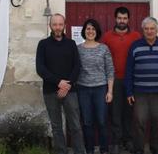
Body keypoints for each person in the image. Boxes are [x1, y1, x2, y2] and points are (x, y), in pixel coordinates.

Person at [36, 13, 86, 154]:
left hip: (70, 91)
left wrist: (67, 85)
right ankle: (61, 151)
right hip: (50, 91)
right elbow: (40, 69)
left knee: (75, 125)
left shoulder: (71, 44)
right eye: (55, 24)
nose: (57, 27)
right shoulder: (43, 45)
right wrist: (59, 83)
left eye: (60, 24)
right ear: (50, 26)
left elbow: (77, 67)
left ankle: (80, 151)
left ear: (65, 25)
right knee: (56, 126)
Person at [124, 17, 158, 154]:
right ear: (143, 30)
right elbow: (128, 70)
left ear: (157, 30)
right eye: (146, 29)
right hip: (140, 93)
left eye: (152, 28)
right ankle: (139, 149)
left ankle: (156, 149)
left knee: (157, 123)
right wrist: (129, 92)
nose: (149, 31)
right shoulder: (135, 46)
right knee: (139, 122)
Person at [102, 7, 141, 154]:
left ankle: (128, 141)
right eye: (119, 18)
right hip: (114, 80)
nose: (122, 21)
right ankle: (117, 142)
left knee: (130, 112)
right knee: (115, 112)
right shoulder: (107, 37)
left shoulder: (136, 36)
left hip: (132, 80)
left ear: (128, 19)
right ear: (115, 18)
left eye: (124, 18)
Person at [77, 19, 114, 154]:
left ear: (97, 31)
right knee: (87, 122)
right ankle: (89, 150)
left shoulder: (104, 48)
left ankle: (104, 150)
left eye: (93, 29)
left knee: (102, 121)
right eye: (88, 29)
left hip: (100, 89)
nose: (90, 31)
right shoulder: (78, 49)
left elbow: (110, 70)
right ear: (84, 31)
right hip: (83, 89)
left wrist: (110, 91)